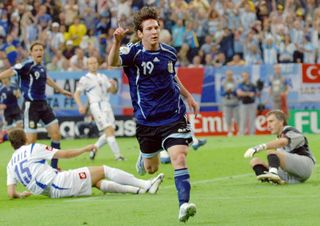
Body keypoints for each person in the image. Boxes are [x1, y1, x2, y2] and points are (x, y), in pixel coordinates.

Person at [108, 7, 197, 222]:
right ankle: (144, 154)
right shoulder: (132, 52)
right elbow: (112, 63)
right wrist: (117, 42)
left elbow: (172, 77)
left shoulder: (169, 52)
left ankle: (183, 205)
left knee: (179, 156)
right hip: (147, 121)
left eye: (156, 27)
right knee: (151, 169)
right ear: (140, 33)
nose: (154, 31)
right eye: (149, 28)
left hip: (173, 116)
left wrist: (188, 97)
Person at [6, 128, 164, 199]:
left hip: (53, 186)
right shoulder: (33, 148)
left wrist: (22, 195)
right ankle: (146, 184)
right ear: (26, 139)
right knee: (103, 169)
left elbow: (11, 193)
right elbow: (64, 154)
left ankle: (140, 191)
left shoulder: (10, 164)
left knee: (96, 181)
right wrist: (85, 148)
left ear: (13, 145)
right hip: (58, 184)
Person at [0, 41, 73, 169]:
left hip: (43, 105)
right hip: (31, 106)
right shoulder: (26, 65)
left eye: (41, 49)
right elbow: (11, 71)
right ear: (31, 53)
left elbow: (47, 79)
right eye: (36, 50)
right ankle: (21, 166)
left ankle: (54, 167)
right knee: (30, 142)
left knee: (56, 134)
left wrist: (61, 90)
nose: (39, 52)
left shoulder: (42, 66)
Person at [244, 110, 316, 184]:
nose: (268, 125)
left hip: (304, 166)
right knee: (255, 161)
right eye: (267, 122)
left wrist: (259, 147)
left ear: (281, 121)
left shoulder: (291, 131)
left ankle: (273, 174)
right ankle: (270, 179)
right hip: (290, 173)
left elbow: (283, 142)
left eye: (271, 121)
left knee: (272, 152)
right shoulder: (278, 138)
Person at [74, 57, 124, 161]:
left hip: (106, 104)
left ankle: (94, 148)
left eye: (95, 62)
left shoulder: (103, 76)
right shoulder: (85, 79)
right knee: (109, 130)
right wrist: (80, 106)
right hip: (96, 105)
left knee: (111, 131)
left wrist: (114, 86)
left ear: (98, 64)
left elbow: (112, 91)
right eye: (90, 63)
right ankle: (118, 156)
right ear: (87, 66)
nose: (93, 65)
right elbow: (76, 94)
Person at [221, 70, 239, 136]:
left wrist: (233, 91)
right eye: (228, 75)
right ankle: (229, 131)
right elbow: (221, 93)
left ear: (232, 75)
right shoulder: (223, 83)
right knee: (228, 119)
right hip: (227, 103)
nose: (229, 76)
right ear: (226, 75)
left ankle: (239, 131)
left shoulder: (236, 82)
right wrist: (227, 92)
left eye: (230, 75)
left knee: (237, 118)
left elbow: (238, 92)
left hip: (235, 103)